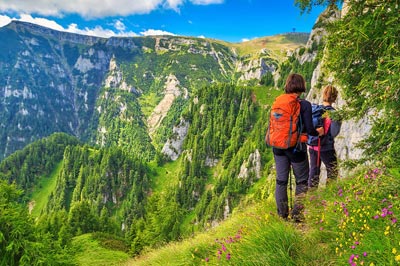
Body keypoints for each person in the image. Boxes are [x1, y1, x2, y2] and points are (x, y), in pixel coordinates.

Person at [272, 73, 324, 221]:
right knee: (301, 181)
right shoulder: (304, 104)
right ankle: (297, 215)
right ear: (301, 86)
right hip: (296, 148)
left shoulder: (279, 101)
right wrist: (318, 132)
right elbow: (309, 128)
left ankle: (282, 215)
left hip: (278, 146)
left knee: (281, 180)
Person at [308, 85, 341, 188]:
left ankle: (311, 198)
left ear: (323, 95)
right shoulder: (334, 113)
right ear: (334, 98)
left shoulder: (315, 110)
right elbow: (334, 132)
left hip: (313, 146)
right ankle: (329, 193)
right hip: (326, 148)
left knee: (314, 173)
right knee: (332, 170)